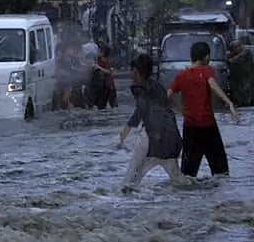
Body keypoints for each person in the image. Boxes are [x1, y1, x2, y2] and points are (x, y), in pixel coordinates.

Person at [118, 54, 190, 192]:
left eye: (131, 72)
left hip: (151, 138)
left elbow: (141, 110)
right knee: (179, 180)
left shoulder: (138, 88)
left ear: (136, 72)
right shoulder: (157, 86)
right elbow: (170, 105)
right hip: (170, 138)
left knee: (129, 182)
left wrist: (126, 130)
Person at [168, 40, 240, 179]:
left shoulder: (181, 76)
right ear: (206, 57)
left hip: (190, 128)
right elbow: (213, 85)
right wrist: (229, 103)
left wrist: (177, 109)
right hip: (208, 126)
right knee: (221, 171)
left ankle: (188, 199)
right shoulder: (206, 71)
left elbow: (166, 96)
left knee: (188, 173)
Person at [89, 44, 118, 110]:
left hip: (107, 85)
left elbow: (109, 71)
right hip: (104, 84)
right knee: (103, 105)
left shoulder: (105, 60)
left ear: (103, 52)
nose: (98, 52)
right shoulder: (100, 60)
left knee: (109, 105)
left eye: (99, 51)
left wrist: (99, 67)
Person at [226, 40, 254, 107]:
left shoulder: (247, 52)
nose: (238, 48)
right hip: (238, 80)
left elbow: (237, 58)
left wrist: (231, 59)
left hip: (247, 78)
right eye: (235, 47)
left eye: (239, 46)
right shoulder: (233, 55)